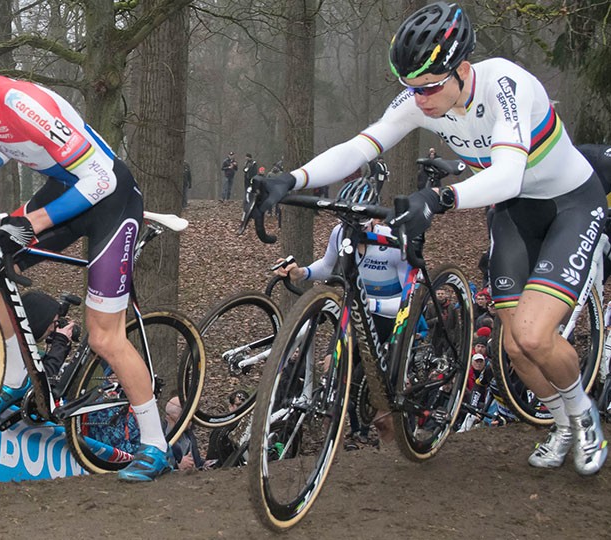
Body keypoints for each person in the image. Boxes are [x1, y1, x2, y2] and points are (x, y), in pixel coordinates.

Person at [251, 2, 608, 475]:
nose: (420, 99)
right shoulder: (424, 97)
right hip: (516, 215)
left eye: (430, 87)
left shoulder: (506, 86)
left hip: (570, 204)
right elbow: (362, 145)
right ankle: (560, 423)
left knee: (534, 335)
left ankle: (583, 417)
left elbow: (507, 175)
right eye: (410, 89)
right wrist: (293, 179)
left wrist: (439, 198)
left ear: (462, 69)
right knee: (514, 347)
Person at [0, 27, 172, 482]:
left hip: (110, 200)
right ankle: (12, 380)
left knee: (105, 337)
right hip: (67, 190)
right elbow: (1, 144)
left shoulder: (22, 105)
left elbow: (100, 181)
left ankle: (155, 442)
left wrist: (32, 223)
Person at [274, 178, 410, 445]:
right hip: (358, 313)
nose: (349, 230)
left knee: (386, 406)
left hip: (390, 319)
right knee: (333, 367)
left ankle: (393, 441)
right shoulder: (340, 233)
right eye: (345, 221)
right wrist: (301, 273)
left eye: (355, 223)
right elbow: (327, 265)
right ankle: (333, 440)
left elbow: (409, 297)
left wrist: (369, 304)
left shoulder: (390, 242)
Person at [164, 396, 205, 470]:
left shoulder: (188, 435)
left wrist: (205, 464)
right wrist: (178, 467)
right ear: (172, 417)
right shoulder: (159, 439)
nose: (191, 420)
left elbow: (196, 461)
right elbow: (155, 469)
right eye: (188, 416)